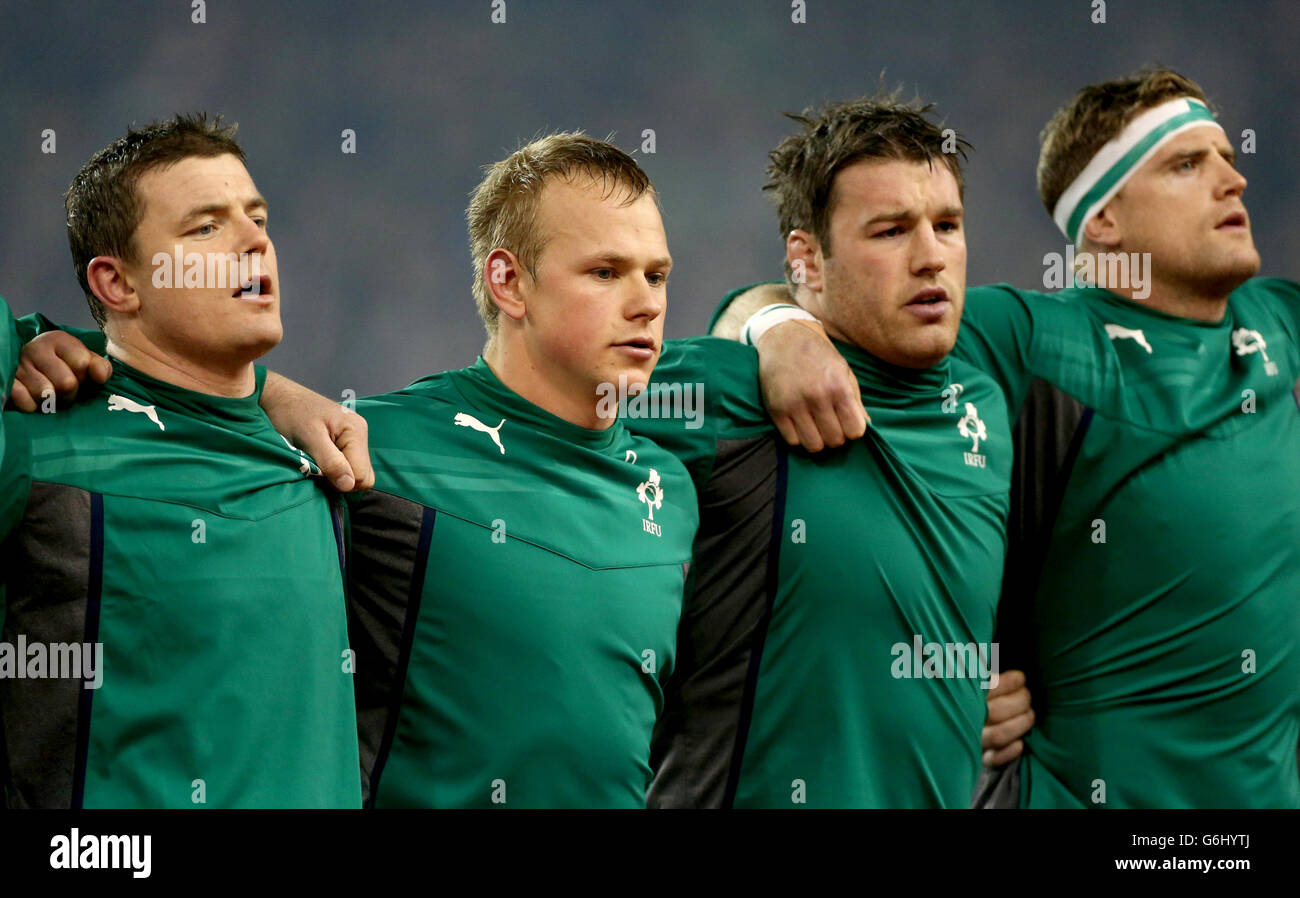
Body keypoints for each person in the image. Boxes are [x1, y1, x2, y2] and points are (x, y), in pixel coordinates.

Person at [721, 69, 1300, 808]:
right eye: (1188, 165)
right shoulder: (1034, 338)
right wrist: (776, 327)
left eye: (1227, 157)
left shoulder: (1280, 322)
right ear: (1104, 222)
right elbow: (818, 305)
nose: (1234, 180)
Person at [629, 95, 1017, 807]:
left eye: (948, 225)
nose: (931, 255)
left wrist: (1002, 675)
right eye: (891, 230)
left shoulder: (988, 407)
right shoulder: (736, 393)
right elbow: (533, 404)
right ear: (806, 258)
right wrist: (358, 426)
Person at [0, 115, 361, 809]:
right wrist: (24, 336)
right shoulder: (41, 452)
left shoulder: (332, 456)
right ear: (117, 283)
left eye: (257, 218)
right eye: (205, 228)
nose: (256, 240)